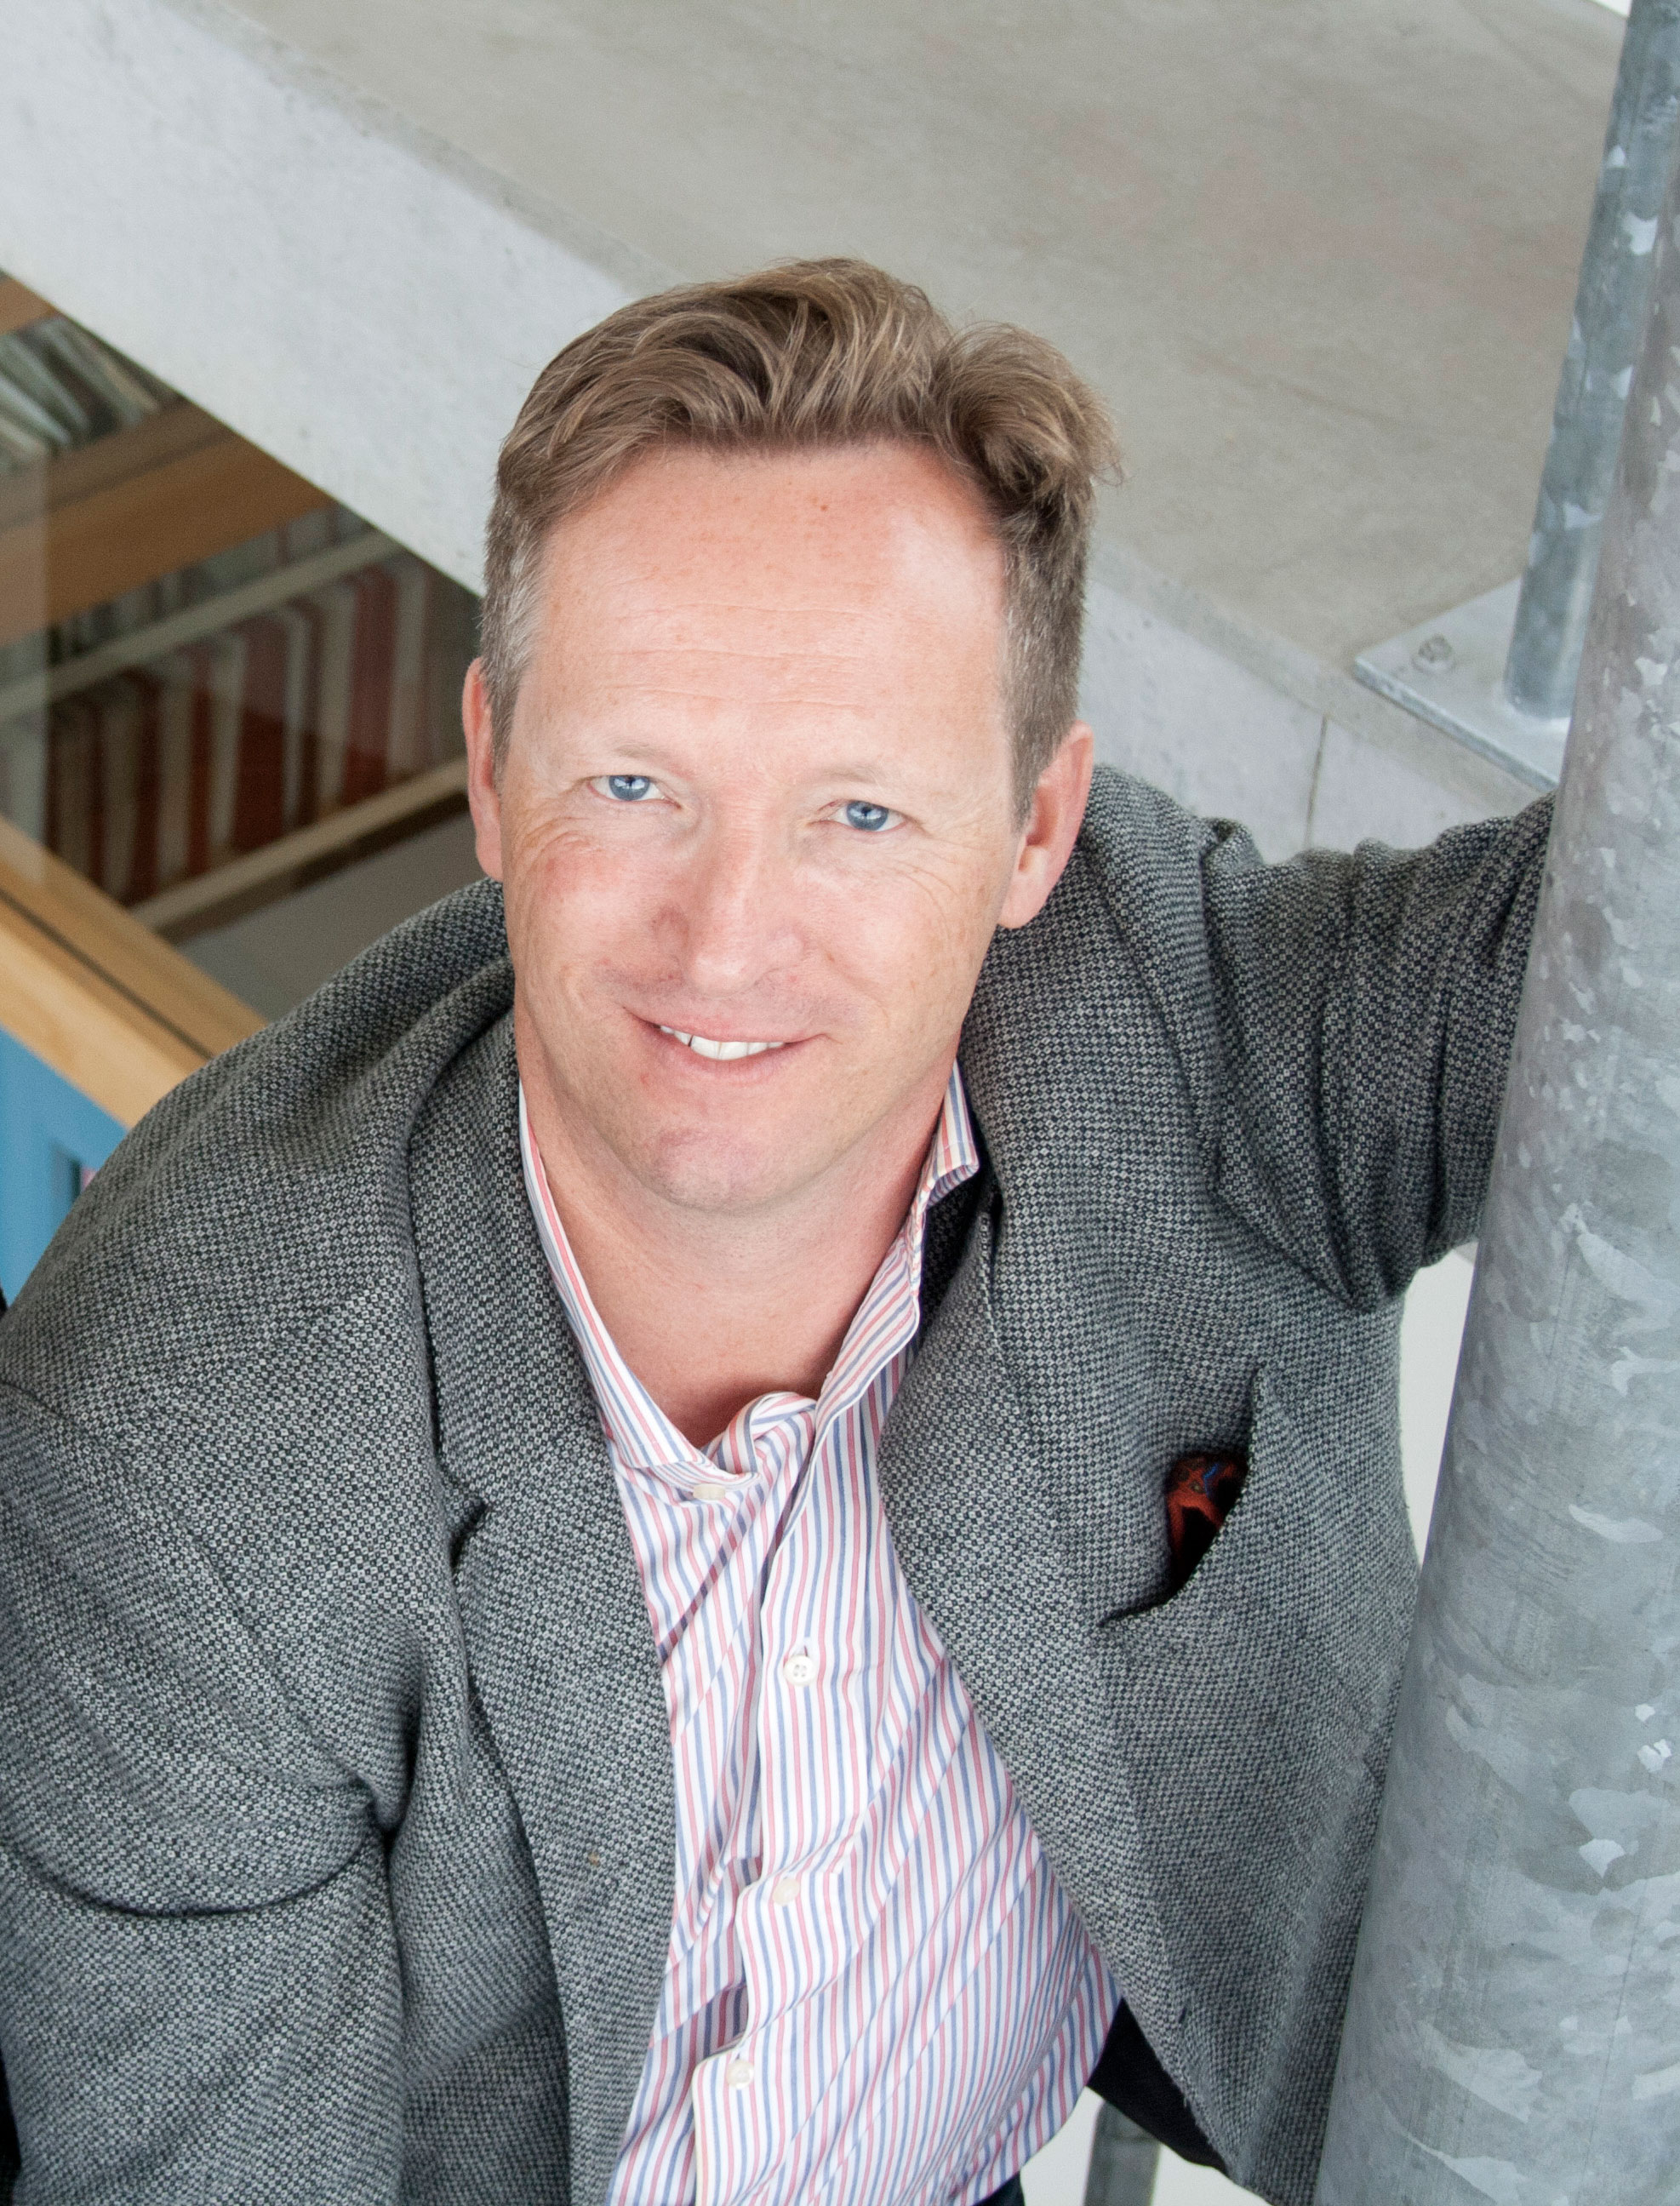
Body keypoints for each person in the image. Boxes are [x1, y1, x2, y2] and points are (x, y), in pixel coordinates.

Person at [0, 260, 1549, 2206]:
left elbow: (1612, 949)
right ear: (491, 770)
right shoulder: (183, 1455)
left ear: (1037, 829)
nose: (725, 942)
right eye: (635, 783)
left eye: (860, 816)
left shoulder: (1183, 1030)